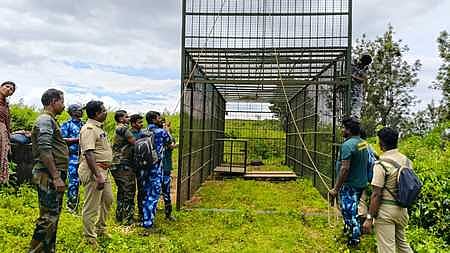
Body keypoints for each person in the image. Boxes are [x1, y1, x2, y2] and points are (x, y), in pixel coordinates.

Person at [29, 89, 68, 252]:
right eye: (62, 101)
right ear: (54, 101)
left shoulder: (50, 120)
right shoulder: (45, 120)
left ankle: (48, 249)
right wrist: (56, 176)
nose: (64, 105)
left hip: (52, 173)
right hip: (49, 174)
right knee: (48, 218)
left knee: (53, 216)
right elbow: (45, 150)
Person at [362, 127, 413, 253]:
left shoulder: (381, 164)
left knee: (387, 249)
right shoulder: (406, 161)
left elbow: (376, 194)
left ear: (381, 143)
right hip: (402, 210)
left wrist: (369, 218)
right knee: (402, 245)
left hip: (386, 212)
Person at [78, 101, 113, 247]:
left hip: (103, 170)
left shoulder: (98, 129)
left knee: (108, 199)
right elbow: (89, 153)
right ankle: (89, 238)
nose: (106, 112)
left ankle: (101, 228)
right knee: (91, 206)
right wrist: (98, 175)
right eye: (104, 110)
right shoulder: (89, 129)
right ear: (97, 114)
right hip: (95, 171)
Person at [329, 117, 369, 246]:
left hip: (350, 185)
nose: (342, 130)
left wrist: (336, 189)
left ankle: (354, 241)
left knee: (349, 213)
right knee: (352, 210)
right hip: (360, 184)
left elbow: (345, 168)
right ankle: (348, 232)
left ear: (349, 130)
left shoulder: (347, 145)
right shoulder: (363, 143)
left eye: (344, 128)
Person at [140, 111, 171, 232]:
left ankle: (145, 218)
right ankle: (148, 224)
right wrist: (166, 129)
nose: (161, 119)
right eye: (158, 118)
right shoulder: (160, 132)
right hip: (155, 168)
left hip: (144, 168)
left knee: (146, 193)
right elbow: (169, 141)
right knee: (153, 195)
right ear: (153, 120)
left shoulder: (143, 132)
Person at [111, 110, 136, 225]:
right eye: (127, 117)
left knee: (122, 191)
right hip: (123, 164)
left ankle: (120, 216)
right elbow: (134, 142)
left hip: (117, 164)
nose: (129, 118)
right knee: (128, 191)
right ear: (121, 119)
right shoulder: (123, 129)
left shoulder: (119, 128)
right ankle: (128, 219)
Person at [60, 104, 84, 212]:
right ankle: (71, 207)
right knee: (73, 182)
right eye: (79, 110)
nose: (82, 112)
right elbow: (62, 140)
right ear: (73, 112)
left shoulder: (84, 125)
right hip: (72, 158)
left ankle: (80, 206)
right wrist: (78, 140)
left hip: (84, 158)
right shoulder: (67, 125)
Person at [129, 113, 146, 220]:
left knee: (142, 189)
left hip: (142, 166)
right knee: (130, 190)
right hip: (131, 165)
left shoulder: (143, 133)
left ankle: (141, 212)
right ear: (133, 123)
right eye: (139, 122)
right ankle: (129, 213)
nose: (141, 124)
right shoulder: (129, 134)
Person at [0, 81, 16, 184]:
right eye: (7, 87)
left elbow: (7, 122)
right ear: (1, 86)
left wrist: (8, 138)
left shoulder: (6, 106)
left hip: (2, 132)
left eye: (11, 90)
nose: (8, 90)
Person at [161, 120, 177, 221]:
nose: (166, 127)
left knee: (166, 190)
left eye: (166, 125)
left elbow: (172, 144)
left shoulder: (169, 137)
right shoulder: (158, 135)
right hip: (159, 167)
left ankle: (168, 213)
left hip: (166, 166)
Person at [351, 54, 372, 119]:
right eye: (364, 63)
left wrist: (353, 77)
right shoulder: (354, 63)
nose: (364, 65)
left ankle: (355, 119)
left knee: (356, 108)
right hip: (350, 89)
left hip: (357, 91)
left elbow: (362, 80)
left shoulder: (365, 69)